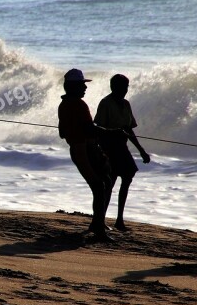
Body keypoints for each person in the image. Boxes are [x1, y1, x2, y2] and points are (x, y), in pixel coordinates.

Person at [57, 69, 127, 242]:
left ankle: (98, 223)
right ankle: (98, 228)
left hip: (84, 149)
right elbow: (90, 128)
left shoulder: (64, 105)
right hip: (83, 151)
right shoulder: (78, 105)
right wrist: (112, 132)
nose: (85, 88)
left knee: (106, 182)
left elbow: (62, 133)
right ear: (73, 87)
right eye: (82, 85)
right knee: (99, 186)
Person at [94, 74, 151, 232]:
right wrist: (111, 135)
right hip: (108, 149)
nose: (125, 90)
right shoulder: (105, 103)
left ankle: (119, 219)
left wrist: (142, 151)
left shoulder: (126, 104)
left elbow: (129, 130)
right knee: (109, 184)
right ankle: (100, 220)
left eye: (126, 87)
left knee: (127, 178)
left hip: (122, 148)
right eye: (122, 87)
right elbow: (98, 129)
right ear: (113, 87)